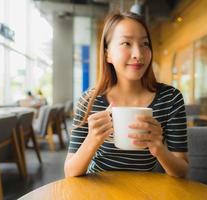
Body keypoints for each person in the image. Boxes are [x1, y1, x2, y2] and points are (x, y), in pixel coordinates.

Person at [64, 12, 188, 178]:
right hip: (97, 189)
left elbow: (182, 171)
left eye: (145, 43)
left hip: (144, 190)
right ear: (107, 54)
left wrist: (159, 149)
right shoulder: (89, 100)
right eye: (126, 43)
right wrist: (93, 139)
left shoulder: (170, 98)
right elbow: (70, 171)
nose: (138, 53)